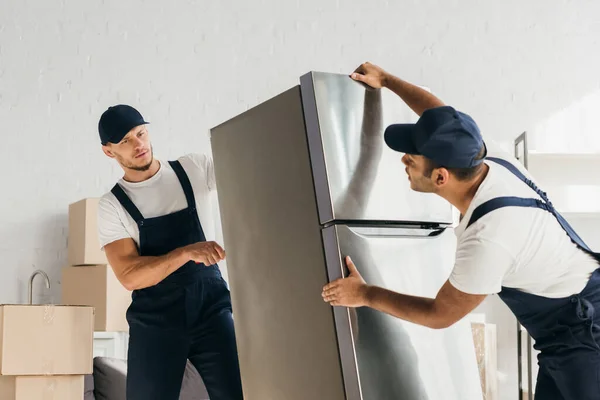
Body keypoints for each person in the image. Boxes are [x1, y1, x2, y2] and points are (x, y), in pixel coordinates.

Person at [322, 62, 600, 400]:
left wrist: (365, 294)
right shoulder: (484, 156)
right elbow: (438, 112)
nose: (403, 161)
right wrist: (388, 80)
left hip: (586, 338)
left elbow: (440, 315)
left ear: (441, 177)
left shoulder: (488, 237)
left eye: (412, 157)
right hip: (571, 328)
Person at [96, 104, 243, 400]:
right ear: (109, 151)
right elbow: (129, 275)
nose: (138, 144)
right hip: (156, 321)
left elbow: (248, 175)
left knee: (241, 392)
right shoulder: (112, 206)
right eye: (126, 140)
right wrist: (186, 253)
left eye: (141, 133)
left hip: (211, 309)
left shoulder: (194, 168)